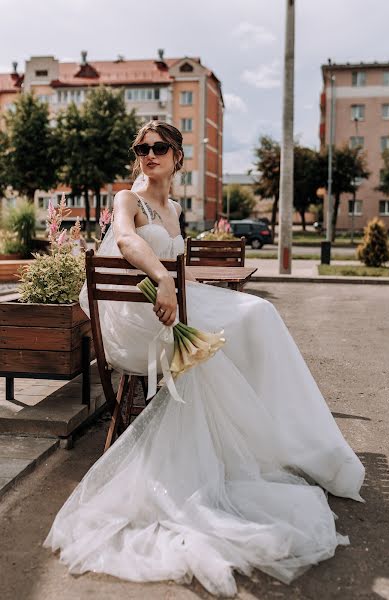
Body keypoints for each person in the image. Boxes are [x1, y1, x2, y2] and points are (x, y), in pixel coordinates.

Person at [44, 121, 364, 597]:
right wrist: (168, 280)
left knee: (260, 317)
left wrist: (185, 281)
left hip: (171, 306)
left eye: (158, 148)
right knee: (255, 320)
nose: (148, 154)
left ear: (176, 157)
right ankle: (267, 438)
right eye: (141, 148)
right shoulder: (126, 199)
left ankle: (283, 437)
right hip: (140, 321)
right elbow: (130, 243)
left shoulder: (173, 208)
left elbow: (178, 263)